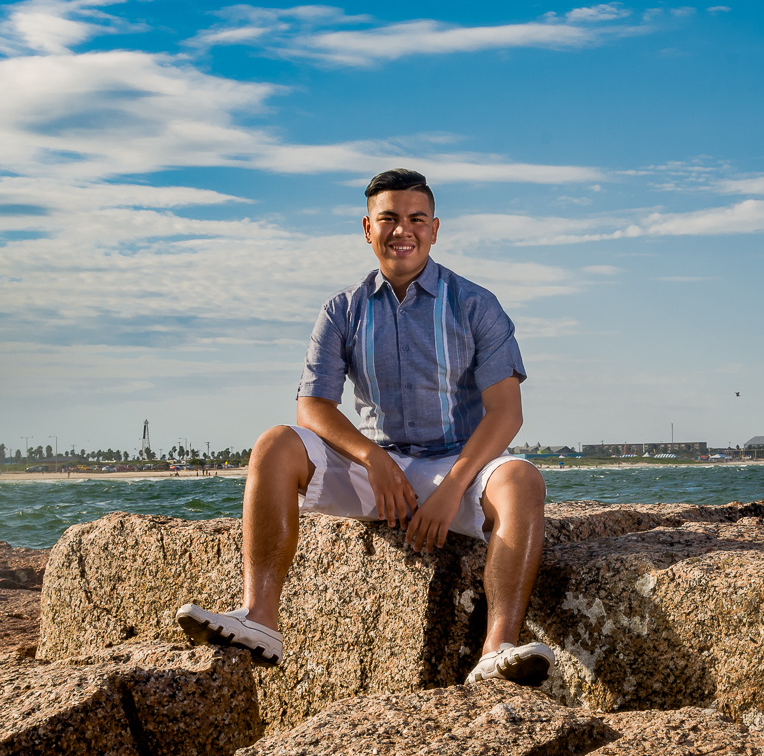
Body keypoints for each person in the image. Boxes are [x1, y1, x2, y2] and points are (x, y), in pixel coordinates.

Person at [175, 169, 554, 687]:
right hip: (377, 469)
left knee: (523, 480)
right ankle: (260, 618)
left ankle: (496, 650)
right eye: (389, 218)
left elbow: (506, 412)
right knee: (275, 444)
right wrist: (372, 458)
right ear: (367, 228)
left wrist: (451, 488)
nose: (403, 230)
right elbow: (313, 406)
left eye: (416, 219)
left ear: (435, 229)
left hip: (458, 465)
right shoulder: (342, 309)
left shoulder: (475, 304)